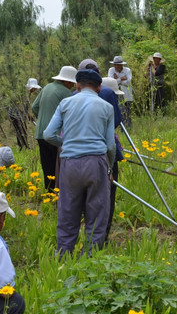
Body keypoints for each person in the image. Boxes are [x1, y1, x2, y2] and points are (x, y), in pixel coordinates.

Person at [43, 64, 115, 258]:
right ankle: (90, 258)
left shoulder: (65, 104)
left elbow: (48, 134)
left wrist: (65, 143)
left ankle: (64, 255)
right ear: (99, 88)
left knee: (67, 211)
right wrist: (109, 168)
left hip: (69, 164)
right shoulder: (106, 107)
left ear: (78, 86)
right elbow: (110, 146)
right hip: (96, 163)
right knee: (98, 213)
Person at [32, 66, 77, 191]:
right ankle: (56, 194)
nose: (73, 86)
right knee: (57, 168)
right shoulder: (66, 93)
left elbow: (34, 107)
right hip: (55, 136)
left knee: (47, 167)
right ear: (67, 81)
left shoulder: (47, 87)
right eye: (72, 83)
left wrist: (42, 120)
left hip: (41, 133)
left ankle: (48, 192)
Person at [100, 77, 125, 240]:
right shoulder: (107, 100)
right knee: (108, 194)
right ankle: (102, 235)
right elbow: (116, 121)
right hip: (103, 156)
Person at [8, 78, 41, 149]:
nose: (34, 90)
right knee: (21, 131)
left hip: (20, 114)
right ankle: (23, 147)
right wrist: (27, 115)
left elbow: (25, 107)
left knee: (22, 130)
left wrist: (28, 115)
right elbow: (20, 107)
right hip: (14, 114)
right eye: (33, 88)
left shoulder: (28, 93)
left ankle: (24, 146)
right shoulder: (23, 94)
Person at [108, 55, 133, 128]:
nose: (116, 66)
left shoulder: (127, 70)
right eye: (115, 64)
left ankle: (128, 126)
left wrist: (117, 79)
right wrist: (121, 78)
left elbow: (128, 82)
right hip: (116, 93)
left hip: (127, 93)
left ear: (121, 64)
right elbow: (111, 82)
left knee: (128, 110)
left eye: (118, 65)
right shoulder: (111, 70)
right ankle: (122, 127)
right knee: (120, 110)